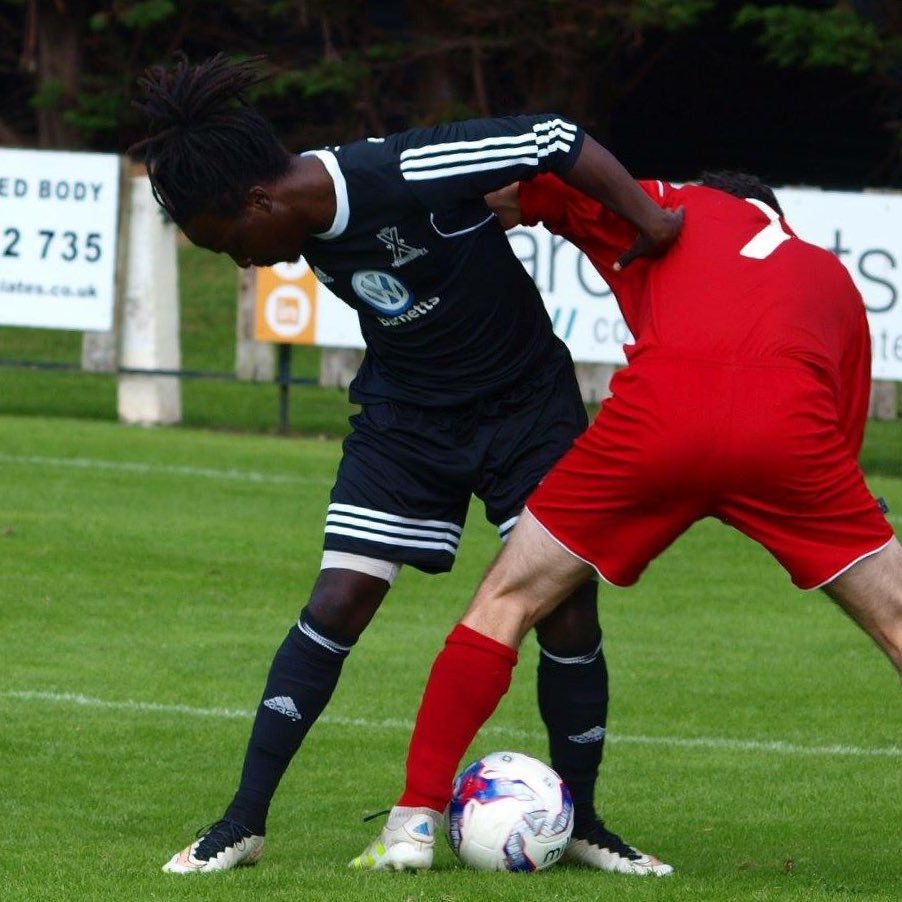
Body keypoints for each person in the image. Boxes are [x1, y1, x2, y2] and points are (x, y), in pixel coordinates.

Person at [129, 53, 683, 876]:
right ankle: (241, 824)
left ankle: (585, 820)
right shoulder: (297, 220)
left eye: (233, 244)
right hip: (407, 419)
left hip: (526, 410)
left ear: (258, 200)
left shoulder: (404, 166)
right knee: (339, 597)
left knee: (567, 613)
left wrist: (652, 221)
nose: (243, 263)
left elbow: (555, 138)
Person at [350, 171, 902, 871]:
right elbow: (839, 440)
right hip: (790, 437)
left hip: (660, 414)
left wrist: (401, 207)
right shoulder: (831, 276)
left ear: (718, 195)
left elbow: (528, 183)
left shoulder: (673, 201)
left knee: (508, 600)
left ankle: (415, 821)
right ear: (779, 217)